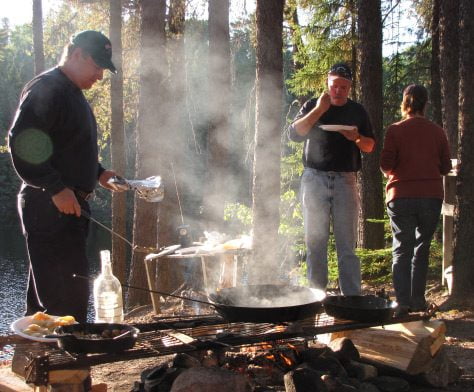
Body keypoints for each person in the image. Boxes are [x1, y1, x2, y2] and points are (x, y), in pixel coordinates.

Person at [8, 30, 124, 322]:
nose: (99, 75)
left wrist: (98, 173)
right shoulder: (48, 88)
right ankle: (70, 367)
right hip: (48, 205)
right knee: (66, 299)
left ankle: (36, 359)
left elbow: (67, 147)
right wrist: (55, 187)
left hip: (65, 206)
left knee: (49, 297)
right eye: (96, 66)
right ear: (77, 55)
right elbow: (22, 140)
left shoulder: (72, 94)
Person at [288, 63, 375, 295]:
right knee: (315, 241)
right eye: (335, 86)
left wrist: (356, 137)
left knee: (347, 244)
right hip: (314, 179)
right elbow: (294, 134)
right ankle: (315, 296)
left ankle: (352, 298)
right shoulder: (312, 105)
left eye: (344, 87)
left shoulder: (358, 111)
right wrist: (318, 110)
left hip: (346, 180)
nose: (338, 91)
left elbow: (369, 146)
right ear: (327, 83)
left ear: (350, 88)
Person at [380, 84, 451, 316]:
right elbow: (446, 167)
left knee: (402, 249)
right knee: (421, 248)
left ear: (405, 103)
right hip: (431, 197)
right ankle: (418, 301)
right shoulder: (438, 132)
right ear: (425, 104)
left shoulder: (395, 130)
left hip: (401, 197)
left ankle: (402, 303)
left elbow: (386, 165)